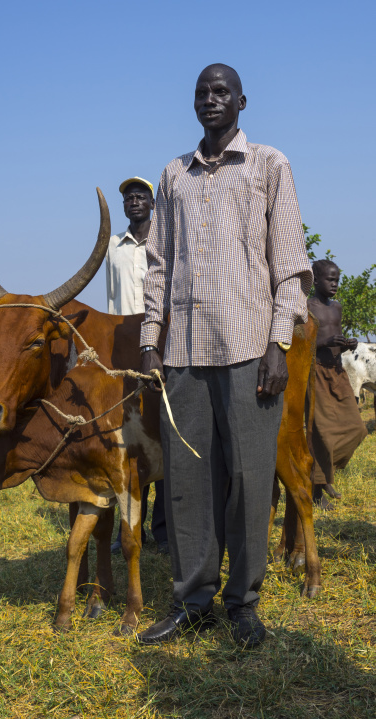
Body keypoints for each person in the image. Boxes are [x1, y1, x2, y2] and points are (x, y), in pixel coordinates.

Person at [137, 63, 313, 648]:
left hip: (249, 351)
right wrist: (150, 340)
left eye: (221, 92)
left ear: (241, 101)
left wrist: (278, 343)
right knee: (188, 481)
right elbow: (159, 265)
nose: (210, 100)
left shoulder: (269, 165)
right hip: (183, 352)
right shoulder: (173, 175)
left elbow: (289, 263)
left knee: (247, 475)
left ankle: (243, 603)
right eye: (201, 93)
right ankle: (192, 601)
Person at [105, 176, 169, 554]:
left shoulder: (165, 241)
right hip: (124, 346)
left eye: (141, 196)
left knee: (161, 433)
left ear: (152, 204)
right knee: (127, 439)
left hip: (159, 344)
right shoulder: (114, 246)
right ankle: (129, 531)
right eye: (129, 197)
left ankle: (163, 531)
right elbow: (111, 297)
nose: (134, 201)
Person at [306, 259, 368, 509]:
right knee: (322, 433)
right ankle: (317, 489)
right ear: (316, 280)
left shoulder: (337, 307)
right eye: (330, 280)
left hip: (337, 371)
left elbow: (335, 339)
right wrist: (323, 342)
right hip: (315, 372)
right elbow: (300, 345)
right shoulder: (306, 307)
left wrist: (346, 344)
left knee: (356, 428)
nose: (335, 285)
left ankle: (326, 473)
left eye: (337, 280)